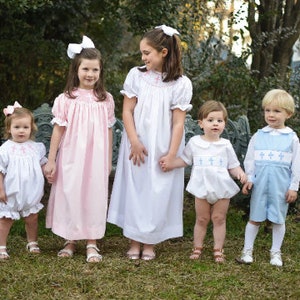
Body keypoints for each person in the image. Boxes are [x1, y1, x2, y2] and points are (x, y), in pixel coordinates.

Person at [107, 25, 193, 260]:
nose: (143, 58)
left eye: (147, 53)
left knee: (158, 190)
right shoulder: (137, 75)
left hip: (164, 143)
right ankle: (134, 241)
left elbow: (178, 123)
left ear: (163, 52)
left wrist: (172, 154)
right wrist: (133, 141)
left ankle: (150, 242)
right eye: (142, 53)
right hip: (139, 141)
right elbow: (127, 111)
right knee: (137, 187)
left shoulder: (181, 83)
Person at [45, 36, 115, 263]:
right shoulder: (66, 99)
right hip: (72, 155)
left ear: (100, 71)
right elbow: (58, 131)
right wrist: (51, 159)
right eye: (85, 69)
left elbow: (109, 130)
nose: (90, 74)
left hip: (96, 157)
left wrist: (107, 159)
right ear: (76, 70)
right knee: (71, 193)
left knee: (93, 194)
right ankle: (70, 239)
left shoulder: (105, 100)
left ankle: (92, 242)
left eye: (95, 70)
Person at [160, 100, 247, 263]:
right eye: (211, 120)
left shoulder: (225, 145)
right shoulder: (195, 142)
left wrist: (241, 174)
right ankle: (197, 247)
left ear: (224, 124)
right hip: (201, 187)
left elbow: (234, 166)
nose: (215, 124)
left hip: (222, 188)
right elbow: (185, 160)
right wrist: (171, 163)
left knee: (219, 218)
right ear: (201, 123)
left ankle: (218, 249)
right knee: (202, 219)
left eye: (219, 121)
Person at [236, 89, 300, 267]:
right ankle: (247, 251)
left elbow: (297, 165)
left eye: (277, 111)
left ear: (288, 113)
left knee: (278, 218)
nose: (271, 115)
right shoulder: (258, 136)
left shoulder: (292, 139)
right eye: (268, 110)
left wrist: (294, 186)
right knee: (254, 217)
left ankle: (275, 252)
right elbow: (250, 161)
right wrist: (249, 178)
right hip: (260, 184)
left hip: (281, 185)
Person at [0, 102, 47, 260]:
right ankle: (2, 246)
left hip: (31, 191)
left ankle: (32, 242)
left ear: (31, 128)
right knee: (5, 219)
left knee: (32, 218)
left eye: (25, 127)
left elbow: (43, 164)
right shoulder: (5, 149)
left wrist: (50, 174)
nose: (21, 131)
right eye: (17, 127)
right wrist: (1, 189)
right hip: (11, 191)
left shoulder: (36, 147)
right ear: (9, 129)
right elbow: (0, 171)